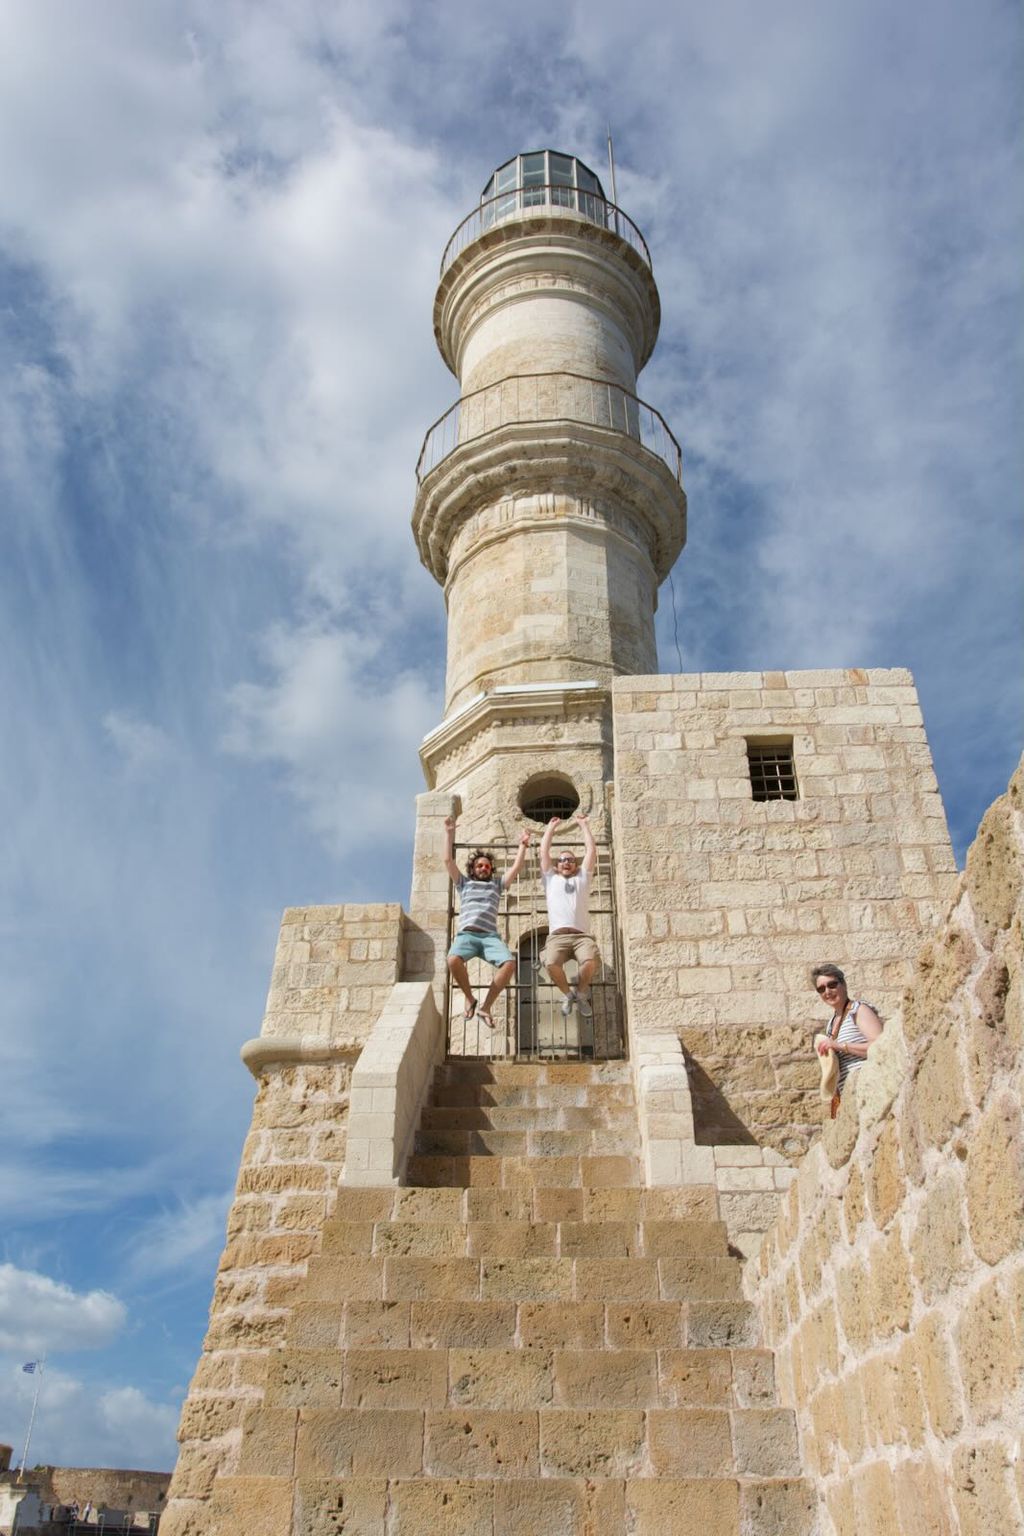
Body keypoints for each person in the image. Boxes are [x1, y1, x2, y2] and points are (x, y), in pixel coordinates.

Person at [444, 815, 530, 1029]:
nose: (483, 868)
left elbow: (517, 867)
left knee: (509, 963)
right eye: (479, 866)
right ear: (473, 869)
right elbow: (448, 860)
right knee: (453, 960)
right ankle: (470, 998)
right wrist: (449, 833)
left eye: (487, 866)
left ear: (491, 870)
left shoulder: (497, 885)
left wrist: (523, 845)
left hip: (489, 936)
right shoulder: (464, 884)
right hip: (467, 935)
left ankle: (485, 1007)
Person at [539, 813, 601, 1017]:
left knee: (590, 961)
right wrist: (550, 828)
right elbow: (543, 852)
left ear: (575, 865)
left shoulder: (582, 878)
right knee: (550, 963)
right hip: (557, 936)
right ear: (557, 865)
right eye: (562, 860)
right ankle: (567, 994)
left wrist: (584, 825)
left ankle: (581, 994)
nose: (566, 862)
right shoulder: (550, 878)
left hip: (581, 936)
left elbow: (591, 851)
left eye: (571, 860)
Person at [812, 963, 883, 1118]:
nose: (827, 992)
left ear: (843, 984)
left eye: (832, 985)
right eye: (821, 989)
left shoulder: (859, 1009)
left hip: (870, 1088)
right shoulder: (832, 1023)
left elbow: (881, 1047)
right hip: (850, 1096)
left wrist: (840, 1046)